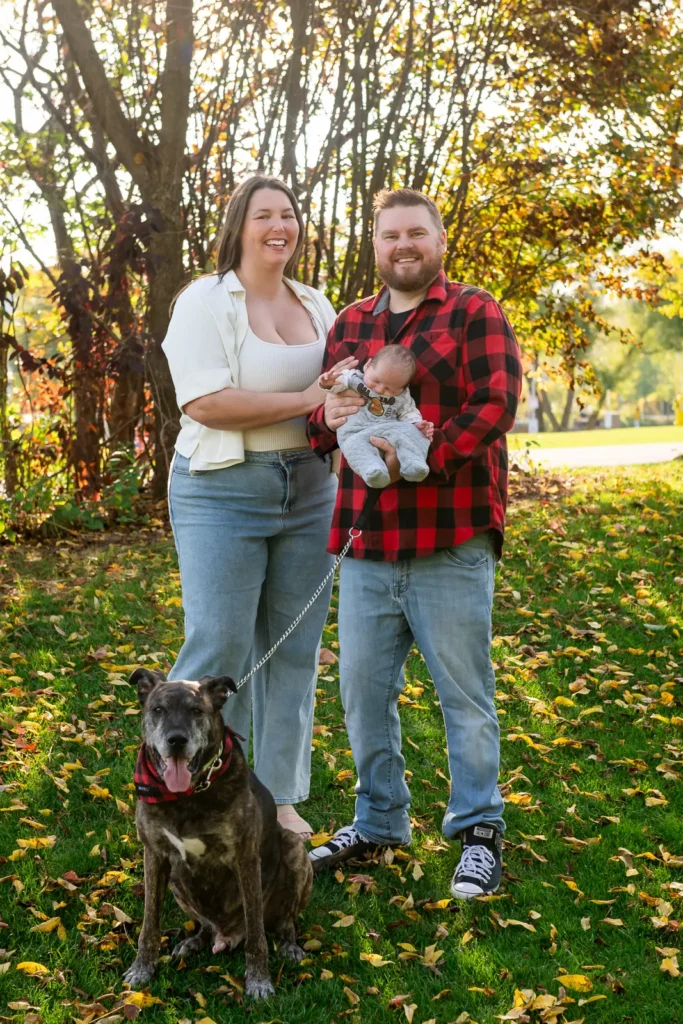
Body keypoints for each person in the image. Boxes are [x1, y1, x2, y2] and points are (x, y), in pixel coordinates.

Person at [307, 187, 522, 897]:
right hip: (365, 545)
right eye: (390, 234)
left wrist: (423, 458)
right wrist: (326, 416)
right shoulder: (349, 326)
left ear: (437, 240)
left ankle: (478, 832)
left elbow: (495, 402)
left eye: (416, 233)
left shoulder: (473, 310)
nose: (403, 245)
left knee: (464, 694)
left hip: (450, 535)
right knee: (363, 694)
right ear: (375, 244)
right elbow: (321, 423)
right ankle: (377, 823)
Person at [162, 175, 355, 839]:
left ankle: (274, 801)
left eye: (288, 214)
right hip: (222, 488)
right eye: (263, 215)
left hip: (309, 490)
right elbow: (205, 402)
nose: (279, 225)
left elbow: (340, 394)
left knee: (293, 651)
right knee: (218, 646)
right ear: (238, 226)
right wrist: (307, 400)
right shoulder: (204, 301)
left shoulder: (316, 302)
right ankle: (181, 795)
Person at [318, 345, 434, 487]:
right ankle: (373, 470)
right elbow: (336, 386)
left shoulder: (402, 397)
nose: (379, 389)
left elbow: (408, 412)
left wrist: (417, 424)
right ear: (367, 366)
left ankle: (414, 464)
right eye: (376, 381)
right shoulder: (354, 379)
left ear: (403, 389)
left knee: (416, 435)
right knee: (353, 446)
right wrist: (327, 383)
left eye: (389, 389)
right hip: (356, 432)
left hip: (387, 430)